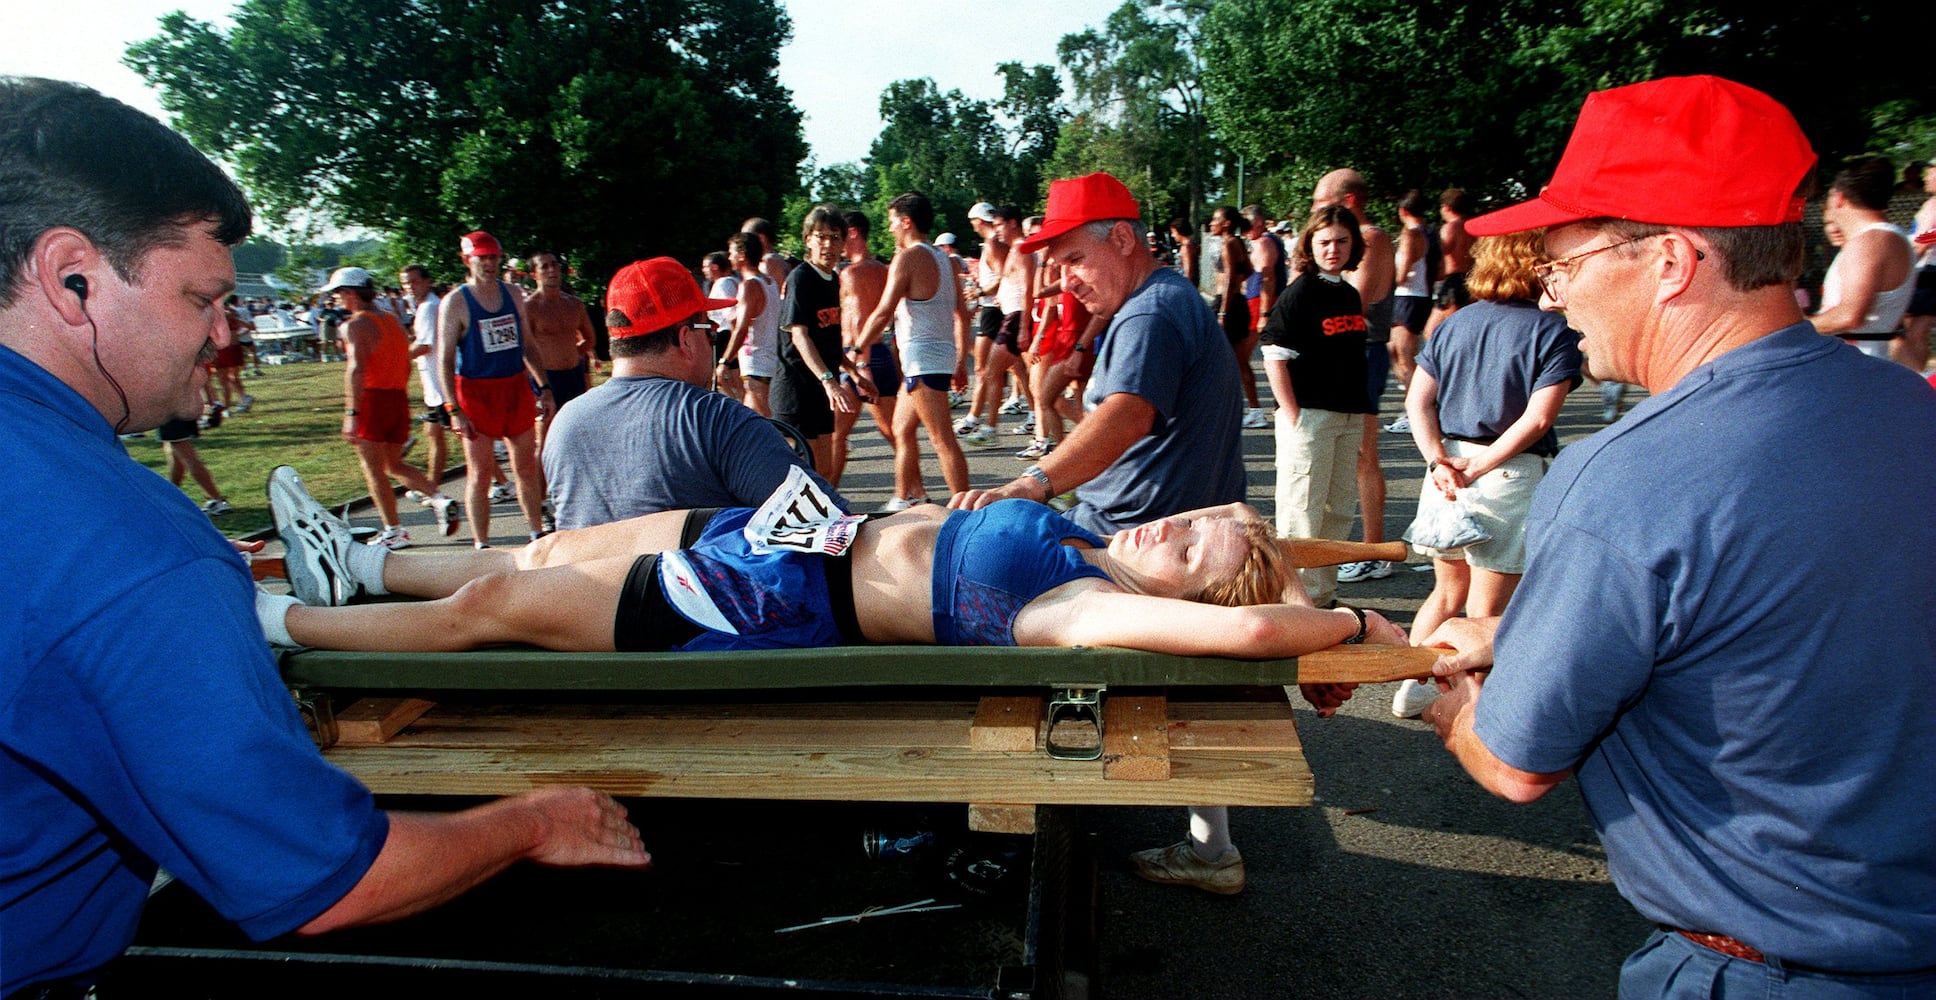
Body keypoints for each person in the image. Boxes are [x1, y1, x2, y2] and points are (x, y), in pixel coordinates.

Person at [0, 77, 648, 999]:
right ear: (73, 278)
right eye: (202, 298)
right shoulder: (127, 549)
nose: (225, 334)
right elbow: (328, 879)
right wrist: (536, 821)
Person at [1415, 75, 1936, 996]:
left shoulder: (1623, 475)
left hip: (1760, 968)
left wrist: (1452, 703)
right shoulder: (1905, 402)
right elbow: (1789, 631)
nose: (1550, 296)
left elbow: (1515, 763)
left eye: (1563, 263)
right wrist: (1514, 636)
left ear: (1670, 260)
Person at [263, 466, 1401, 661]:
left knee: (498, 604)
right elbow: (1258, 537)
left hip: (757, 603)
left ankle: (280, 625)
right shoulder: (1089, 538)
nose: (1179, 523)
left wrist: (1356, 629)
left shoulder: (1084, 604)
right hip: (789, 532)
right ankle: (353, 564)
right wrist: (1376, 554)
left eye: (1196, 546)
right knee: (550, 542)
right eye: (1191, 514)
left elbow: (1256, 624)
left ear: (1198, 593)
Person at [952, 172, 1246, 535]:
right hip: (1153, 523)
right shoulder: (1163, 295)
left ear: (1122, 239)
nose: (1067, 280)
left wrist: (1030, 485)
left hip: (1134, 535)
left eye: (1075, 260)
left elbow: (1126, 416)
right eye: (1059, 265)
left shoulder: (1149, 311)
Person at [1386, 231, 1580, 719]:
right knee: (1486, 611)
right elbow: (1538, 419)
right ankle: (1477, 711)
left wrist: (1438, 460)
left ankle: (1412, 684)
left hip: (1446, 470)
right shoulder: (1553, 332)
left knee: (1446, 591)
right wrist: (1487, 461)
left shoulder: (1454, 324)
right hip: (1507, 473)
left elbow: (1417, 401)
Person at [542, 257, 844, 530]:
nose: (712, 340)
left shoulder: (564, 425)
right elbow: (832, 523)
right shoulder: (716, 418)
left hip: (599, 590)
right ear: (685, 339)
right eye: (709, 329)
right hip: (692, 589)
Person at [1259, 205, 1373, 611]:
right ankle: (1296, 600)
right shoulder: (1301, 293)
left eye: (1342, 241)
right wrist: (1291, 415)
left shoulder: (1348, 292)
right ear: (1310, 244)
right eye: (1324, 242)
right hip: (1311, 416)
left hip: (1347, 415)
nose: (1333, 249)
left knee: (1338, 509)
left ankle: (1323, 595)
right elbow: (1274, 353)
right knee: (1301, 511)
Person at [326, 266, 459, 548]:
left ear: (351, 294)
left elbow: (356, 370)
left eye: (338, 293)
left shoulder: (353, 325)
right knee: (392, 464)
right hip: (396, 398)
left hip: (373, 400)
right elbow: (402, 363)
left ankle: (393, 529)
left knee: (373, 469)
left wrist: (351, 413)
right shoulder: (392, 320)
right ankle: (438, 498)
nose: (336, 299)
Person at [855, 191, 973, 508]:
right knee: (900, 429)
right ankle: (902, 497)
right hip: (934, 356)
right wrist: (961, 360)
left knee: (942, 439)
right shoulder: (943, 259)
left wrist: (856, 348)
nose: (890, 228)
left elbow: (882, 312)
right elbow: (962, 313)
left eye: (893, 222)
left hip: (922, 359)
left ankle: (967, 512)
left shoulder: (908, 259)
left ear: (906, 222)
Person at [436, 230, 550, 547]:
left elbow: (527, 343)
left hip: (513, 386)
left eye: (493, 257)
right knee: (480, 472)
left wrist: (544, 386)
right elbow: (444, 360)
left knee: (525, 466)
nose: (488, 264)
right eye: (481, 258)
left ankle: (536, 533)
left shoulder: (513, 294)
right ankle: (482, 544)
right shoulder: (455, 302)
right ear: (467, 260)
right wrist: (452, 409)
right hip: (475, 392)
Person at [1312, 169, 1398, 584]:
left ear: (1347, 201)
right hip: (1343, 352)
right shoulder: (1344, 242)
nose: (1314, 211)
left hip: (1360, 352)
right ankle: (1359, 548)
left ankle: (1373, 551)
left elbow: (1351, 302)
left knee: (1363, 457)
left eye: (1319, 202)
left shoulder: (1371, 237)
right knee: (1348, 456)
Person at [772, 206, 871, 476]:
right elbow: (800, 335)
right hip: (797, 389)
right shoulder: (801, 278)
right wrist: (829, 381)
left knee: (825, 471)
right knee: (805, 476)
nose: (828, 244)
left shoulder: (832, 279)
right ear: (808, 240)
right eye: (821, 237)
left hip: (822, 387)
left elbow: (827, 336)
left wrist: (853, 373)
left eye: (835, 237)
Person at [1812, 155, 1916, 363]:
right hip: (1866, 363)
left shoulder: (1869, 242)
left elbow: (1849, 316)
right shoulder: (1887, 238)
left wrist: (1790, 328)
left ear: (1839, 197)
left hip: (1853, 366)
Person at [834, 209, 899, 487]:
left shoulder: (853, 273)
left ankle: (828, 497)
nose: (835, 245)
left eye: (838, 237)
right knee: (893, 434)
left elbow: (860, 319)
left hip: (860, 358)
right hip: (875, 355)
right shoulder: (882, 270)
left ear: (853, 233)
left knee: (841, 435)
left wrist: (860, 366)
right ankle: (913, 488)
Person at [523, 250, 597, 448]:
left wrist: (572, 354)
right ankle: (542, 480)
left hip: (573, 375)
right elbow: (523, 351)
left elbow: (590, 339)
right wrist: (533, 391)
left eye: (554, 264)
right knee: (547, 442)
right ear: (534, 275)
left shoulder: (574, 304)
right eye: (544, 266)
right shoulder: (529, 307)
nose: (552, 270)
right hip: (546, 380)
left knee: (580, 435)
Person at [399, 264, 450, 499]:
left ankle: (431, 489)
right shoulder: (423, 307)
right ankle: (431, 488)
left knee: (466, 438)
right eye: (405, 283)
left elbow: (425, 345)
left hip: (443, 385)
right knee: (434, 435)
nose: (409, 287)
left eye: (414, 282)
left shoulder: (430, 307)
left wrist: (394, 356)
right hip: (434, 386)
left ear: (427, 281)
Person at [717, 231, 779, 417]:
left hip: (756, 363)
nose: (729, 257)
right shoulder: (769, 282)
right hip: (768, 359)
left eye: (732, 252)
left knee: (766, 424)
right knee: (754, 421)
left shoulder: (750, 285)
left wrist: (724, 361)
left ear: (742, 255)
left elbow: (741, 329)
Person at [1241, 204, 1286, 427]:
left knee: (1242, 356)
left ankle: (1260, 410)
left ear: (1257, 222)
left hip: (1260, 302)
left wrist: (1264, 313)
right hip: (1256, 300)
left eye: (1246, 224)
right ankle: (1266, 408)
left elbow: (1268, 278)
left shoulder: (1264, 242)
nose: (1244, 229)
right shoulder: (1263, 241)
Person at [1901, 158, 1936, 373]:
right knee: (1909, 330)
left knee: (1916, 332)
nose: (1926, 176)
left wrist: (1903, 261)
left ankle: (1918, 379)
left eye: (1931, 172)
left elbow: (1926, 239)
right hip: (1922, 271)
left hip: (1930, 272)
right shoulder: (1930, 203)